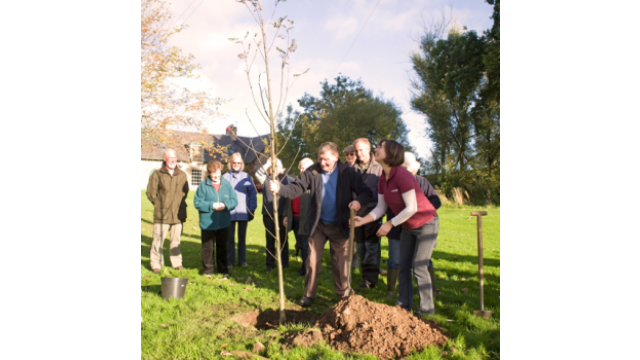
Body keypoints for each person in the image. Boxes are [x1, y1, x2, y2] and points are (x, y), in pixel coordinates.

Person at [270, 142, 373, 307]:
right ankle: (308, 295)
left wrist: (359, 201)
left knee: (340, 263)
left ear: (336, 157)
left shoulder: (347, 173)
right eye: (320, 159)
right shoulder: (313, 171)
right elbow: (296, 188)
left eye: (326, 160)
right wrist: (280, 189)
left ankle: (343, 296)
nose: (323, 163)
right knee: (312, 260)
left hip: (339, 225)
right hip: (318, 224)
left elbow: (366, 192)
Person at [353, 140, 439, 316]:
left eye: (380, 147)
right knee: (403, 266)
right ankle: (404, 305)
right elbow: (380, 208)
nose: (376, 150)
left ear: (391, 153)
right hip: (407, 225)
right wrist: (362, 220)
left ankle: (426, 309)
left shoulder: (402, 175)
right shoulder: (383, 179)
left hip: (426, 224)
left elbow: (412, 207)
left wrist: (390, 223)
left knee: (419, 265)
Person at [384, 152, 441, 300]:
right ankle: (391, 292)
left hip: (420, 229)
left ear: (413, 168)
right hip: (396, 230)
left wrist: (420, 214)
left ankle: (431, 291)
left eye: (407, 167)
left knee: (424, 261)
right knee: (394, 260)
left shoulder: (422, 182)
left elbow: (436, 202)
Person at [146, 149, 189, 274]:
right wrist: (161, 205)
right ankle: (156, 265)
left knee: (176, 241)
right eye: (170, 158)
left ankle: (177, 263)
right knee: (157, 241)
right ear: (165, 159)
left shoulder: (182, 174)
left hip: (177, 214)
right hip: (162, 214)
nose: (173, 160)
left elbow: (185, 192)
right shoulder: (157, 175)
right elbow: (151, 193)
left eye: (175, 157)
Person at [194, 160, 238, 277]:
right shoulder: (203, 186)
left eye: (218, 172)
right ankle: (208, 270)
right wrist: (211, 206)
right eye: (213, 173)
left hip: (223, 222)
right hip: (207, 223)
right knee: (207, 248)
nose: (216, 175)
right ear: (209, 173)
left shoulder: (227, 184)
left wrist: (225, 205)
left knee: (222, 247)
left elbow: (234, 201)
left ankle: (223, 270)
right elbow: (197, 203)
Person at [352, 138, 383, 290]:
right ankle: (365, 277)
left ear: (369, 149)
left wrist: (366, 198)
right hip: (357, 215)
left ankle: (370, 281)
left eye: (361, 150)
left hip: (373, 214)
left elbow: (382, 192)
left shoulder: (379, 167)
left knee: (372, 248)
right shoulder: (353, 168)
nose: (359, 153)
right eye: (356, 150)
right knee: (361, 248)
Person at [256, 158, 293, 273]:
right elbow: (257, 173)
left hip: (282, 215)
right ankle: (270, 264)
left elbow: (292, 194)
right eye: (272, 166)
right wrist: (267, 163)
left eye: (276, 166)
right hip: (268, 215)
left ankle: (284, 263)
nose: (274, 168)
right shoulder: (265, 179)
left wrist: (287, 214)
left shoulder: (287, 179)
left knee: (283, 240)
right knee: (270, 241)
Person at [223, 153, 257, 268]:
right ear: (230, 163)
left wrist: (252, 209)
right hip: (229, 213)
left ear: (241, 164)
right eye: (234, 162)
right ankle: (230, 261)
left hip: (243, 212)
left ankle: (242, 261)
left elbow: (253, 194)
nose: (236, 164)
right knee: (229, 239)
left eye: (238, 163)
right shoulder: (225, 177)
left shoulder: (247, 177)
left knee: (242, 239)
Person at [291, 158, 314, 276]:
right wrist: (286, 216)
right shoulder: (295, 182)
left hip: (306, 219)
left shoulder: (314, 184)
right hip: (294, 218)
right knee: (300, 243)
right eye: (301, 167)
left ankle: (306, 270)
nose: (302, 169)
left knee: (305, 245)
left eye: (305, 167)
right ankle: (304, 267)